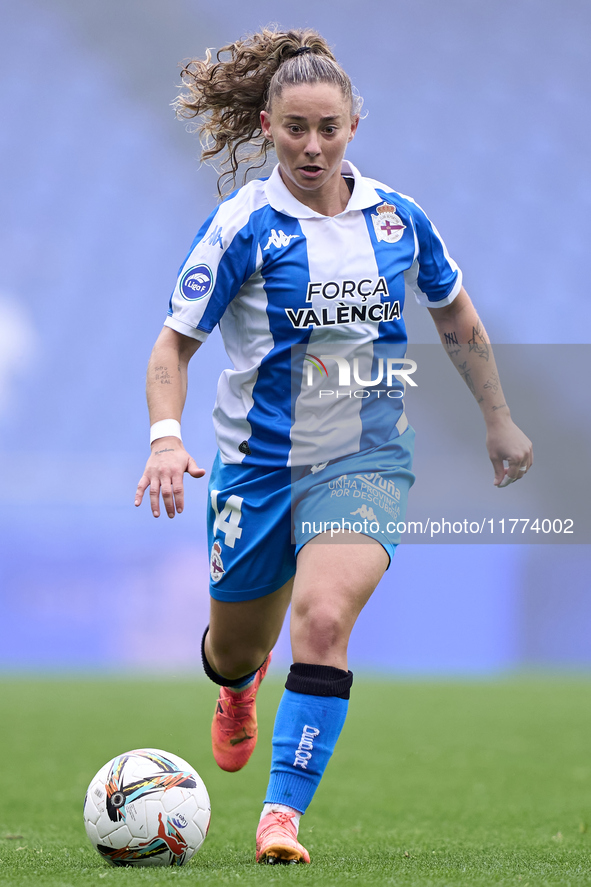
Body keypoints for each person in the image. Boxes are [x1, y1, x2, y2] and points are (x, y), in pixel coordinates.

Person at [135, 27, 533, 865]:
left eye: (328, 127)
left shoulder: (398, 219)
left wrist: (498, 416)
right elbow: (172, 346)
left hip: (364, 457)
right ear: (266, 124)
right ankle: (238, 684)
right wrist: (165, 439)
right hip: (257, 464)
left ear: (354, 123)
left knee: (321, 620)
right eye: (294, 129)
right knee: (236, 644)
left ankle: (281, 815)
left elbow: (454, 315)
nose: (311, 146)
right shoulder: (242, 225)